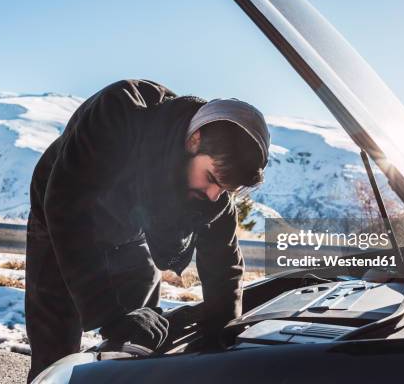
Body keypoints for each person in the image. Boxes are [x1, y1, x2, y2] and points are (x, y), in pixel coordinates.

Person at [24, 79, 270, 382]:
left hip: (128, 228)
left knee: (142, 339)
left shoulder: (213, 190)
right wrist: (110, 316)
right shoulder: (119, 111)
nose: (212, 195)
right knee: (56, 346)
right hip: (59, 217)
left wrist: (224, 328)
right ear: (194, 140)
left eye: (224, 190)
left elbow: (223, 259)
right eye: (210, 178)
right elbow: (69, 211)